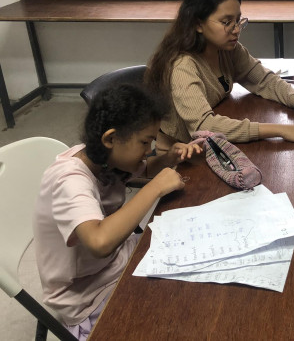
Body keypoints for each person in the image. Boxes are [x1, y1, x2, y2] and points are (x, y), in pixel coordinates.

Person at [33, 84, 202, 340]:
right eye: (145, 142)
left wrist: (169, 159)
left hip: (116, 262)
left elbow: (145, 168)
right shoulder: (68, 180)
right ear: (110, 139)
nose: (149, 150)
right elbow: (99, 241)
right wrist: (155, 187)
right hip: (87, 294)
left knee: (190, 274)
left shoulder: (104, 159)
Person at [145, 0, 294, 153]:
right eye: (226, 22)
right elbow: (204, 126)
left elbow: (263, 79)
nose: (236, 30)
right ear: (198, 24)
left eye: (237, 20)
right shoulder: (182, 66)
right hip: (181, 154)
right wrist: (281, 129)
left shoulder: (227, 49)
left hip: (210, 146)